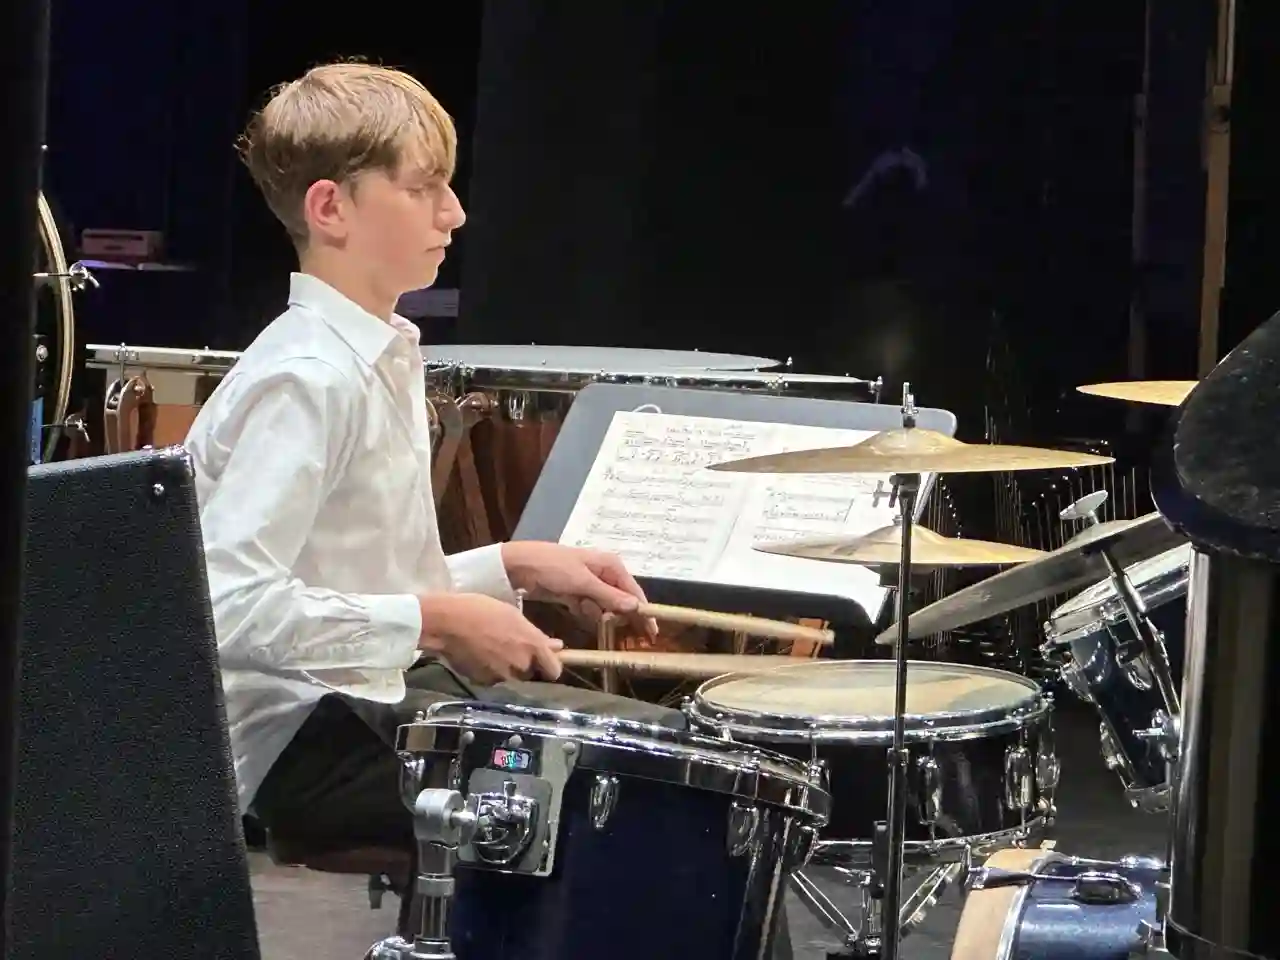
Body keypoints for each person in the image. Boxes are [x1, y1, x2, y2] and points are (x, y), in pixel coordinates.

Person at [184, 61, 686, 858]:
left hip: (367, 700)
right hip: (299, 740)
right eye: (424, 188)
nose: (454, 212)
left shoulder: (375, 354)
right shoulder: (306, 379)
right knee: (658, 793)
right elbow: (219, 608)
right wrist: (440, 621)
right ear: (330, 208)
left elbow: (350, 583)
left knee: (675, 755)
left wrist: (510, 566)